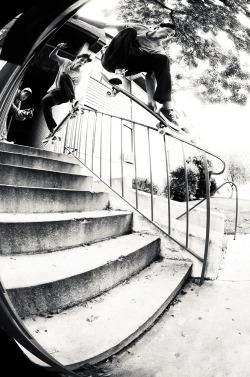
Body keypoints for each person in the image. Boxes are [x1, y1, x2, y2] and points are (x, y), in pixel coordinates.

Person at [75, 15, 179, 128]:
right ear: (157, 27)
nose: (168, 36)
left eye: (171, 36)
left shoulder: (159, 50)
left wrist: (150, 100)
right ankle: (119, 73)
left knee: (163, 59)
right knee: (129, 31)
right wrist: (79, 17)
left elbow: (150, 75)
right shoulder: (139, 28)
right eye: (168, 31)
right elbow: (103, 24)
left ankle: (166, 108)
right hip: (110, 61)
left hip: (129, 68)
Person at [41, 43, 92, 142]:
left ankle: (73, 105)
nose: (82, 63)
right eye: (81, 60)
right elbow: (52, 56)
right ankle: (52, 130)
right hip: (55, 92)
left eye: (84, 62)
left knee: (65, 76)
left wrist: (72, 102)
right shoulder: (65, 62)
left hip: (65, 95)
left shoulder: (79, 75)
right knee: (45, 100)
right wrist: (57, 47)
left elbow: (73, 88)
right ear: (77, 58)